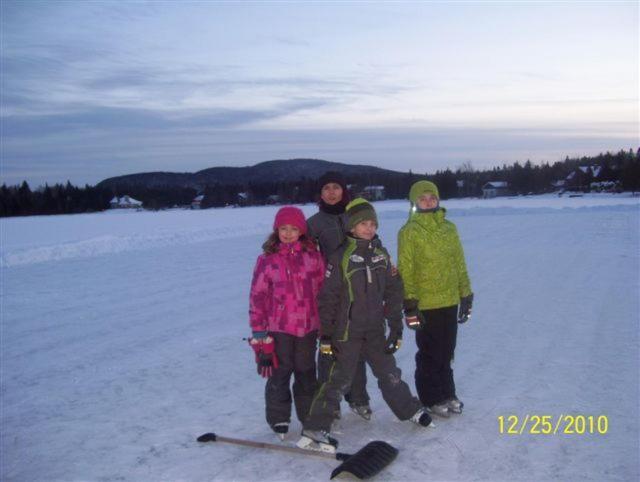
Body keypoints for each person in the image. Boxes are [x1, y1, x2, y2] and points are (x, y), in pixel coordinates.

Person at [298, 198, 433, 452]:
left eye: (372, 224)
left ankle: (410, 410)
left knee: (389, 372)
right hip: (346, 332)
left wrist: (395, 327)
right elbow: (327, 298)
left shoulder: (381, 255)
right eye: (363, 224)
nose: (369, 228)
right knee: (339, 379)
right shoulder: (341, 257)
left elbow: (394, 291)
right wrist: (326, 335)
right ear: (351, 226)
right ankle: (316, 426)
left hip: (374, 330)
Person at [397, 180, 474, 418]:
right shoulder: (408, 232)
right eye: (423, 198)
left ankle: (447, 392)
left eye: (432, 197)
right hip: (425, 303)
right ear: (414, 202)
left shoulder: (449, 229)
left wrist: (466, 294)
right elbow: (406, 269)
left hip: (449, 299)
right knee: (430, 352)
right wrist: (409, 303)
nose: (428, 201)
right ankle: (431, 397)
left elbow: (459, 262)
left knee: (447, 349)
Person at [248, 206, 325, 439]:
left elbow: (323, 292)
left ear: (302, 231)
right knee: (279, 373)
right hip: (279, 328)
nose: (289, 233)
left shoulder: (314, 257)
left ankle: (309, 418)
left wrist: (326, 324)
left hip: (308, 328)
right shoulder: (267, 260)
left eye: (294, 229)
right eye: (284, 228)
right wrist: (259, 332)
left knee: (306, 373)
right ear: (276, 230)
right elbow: (257, 296)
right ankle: (279, 418)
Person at [306, 172, 372, 420]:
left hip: (357, 292)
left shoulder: (356, 217)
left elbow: (372, 245)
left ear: (344, 190)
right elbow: (306, 258)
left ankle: (358, 397)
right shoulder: (313, 224)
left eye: (336, 187)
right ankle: (328, 402)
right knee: (328, 348)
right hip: (330, 293)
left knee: (357, 346)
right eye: (326, 188)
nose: (332, 192)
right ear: (320, 194)